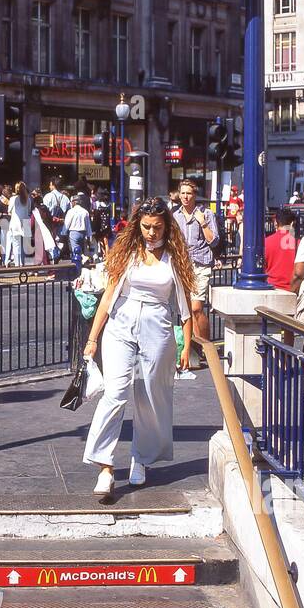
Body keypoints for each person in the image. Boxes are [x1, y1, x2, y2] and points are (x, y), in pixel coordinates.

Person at [82, 198, 194, 500]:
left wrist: (187, 345)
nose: (151, 233)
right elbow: (108, 297)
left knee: (149, 396)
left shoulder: (175, 258)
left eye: (157, 227)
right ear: (137, 225)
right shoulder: (128, 253)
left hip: (157, 327)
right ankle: (104, 465)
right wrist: (92, 339)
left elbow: (185, 306)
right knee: (115, 393)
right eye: (146, 226)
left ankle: (141, 458)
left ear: (166, 227)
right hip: (121, 323)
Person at [173, 178, 219, 369]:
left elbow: (214, 241)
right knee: (185, 310)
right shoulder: (175, 216)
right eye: (182, 193)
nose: (185, 196)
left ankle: (207, 346)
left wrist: (203, 224)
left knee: (196, 307)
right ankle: (191, 349)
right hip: (182, 265)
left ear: (194, 195)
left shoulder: (206, 214)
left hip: (200, 264)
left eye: (189, 193)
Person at [264, 207, 298, 291]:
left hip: (271, 288)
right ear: (292, 223)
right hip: (292, 290)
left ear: (276, 222)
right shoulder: (299, 244)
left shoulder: (265, 242)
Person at [5, 181, 33, 266]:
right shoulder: (28, 198)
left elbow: (9, 210)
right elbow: (29, 210)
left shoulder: (13, 199)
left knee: (16, 245)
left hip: (15, 223)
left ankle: (18, 264)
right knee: (25, 246)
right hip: (26, 222)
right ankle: (24, 263)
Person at [63, 192, 93, 268]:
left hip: (73, 233)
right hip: (83, 233)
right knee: (81, 250)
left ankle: (77, 267)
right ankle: (81, 266)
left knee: (75, 251)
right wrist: (89, 235)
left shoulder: (71, 211)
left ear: (74, 202)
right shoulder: (85, 211)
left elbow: (67, 223)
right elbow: (88, 225)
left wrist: (63, 233)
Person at [43, 179, 71, 249]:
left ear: (53, 185)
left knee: (50, 242)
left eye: (50, 185)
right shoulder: (66, 198)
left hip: (50, 224)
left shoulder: (47, 196)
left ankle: (53, 255)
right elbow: (69, 213)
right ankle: (59, 254)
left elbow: (43, 211)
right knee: (60, 243)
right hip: (62, 224)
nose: (49, 187)